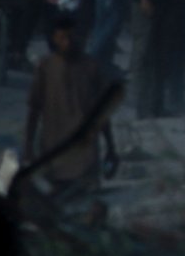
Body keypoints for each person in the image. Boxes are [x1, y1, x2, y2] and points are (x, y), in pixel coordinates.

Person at [25, 17, 117, 192]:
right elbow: (34, 109)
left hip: (85, 159)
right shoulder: (45, 67)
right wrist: (29, 146)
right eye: (62, 38)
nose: (68, 43)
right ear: (54, 39)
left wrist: (111, 148)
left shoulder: (91, 67)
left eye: (71, 37)